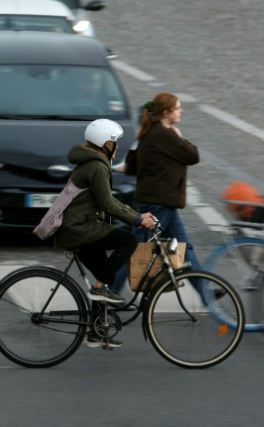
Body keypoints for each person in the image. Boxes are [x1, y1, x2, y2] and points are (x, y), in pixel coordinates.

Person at [54, 119, 155, 349]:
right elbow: (108, 203)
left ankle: (95, 332)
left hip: (79, 227)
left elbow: (108, 201)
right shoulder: (97, 165)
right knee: (128, 240)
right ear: (105, 143)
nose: (117, 147)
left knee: (105, 274)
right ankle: (99, 288)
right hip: (81, 229)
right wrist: (137, 220)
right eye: (114, 142)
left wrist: (136, 215)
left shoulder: (92, 161)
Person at [111, 92, 205, 296]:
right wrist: (180, 136)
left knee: (184, 247)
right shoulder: (164, 134)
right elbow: (192, 155)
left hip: (163, 201)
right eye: (178, 108)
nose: (180, 111)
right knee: (138, 248)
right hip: (157, 203)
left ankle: (205, 292)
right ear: (166, 112)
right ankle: (108, 289)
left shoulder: (154, 131)